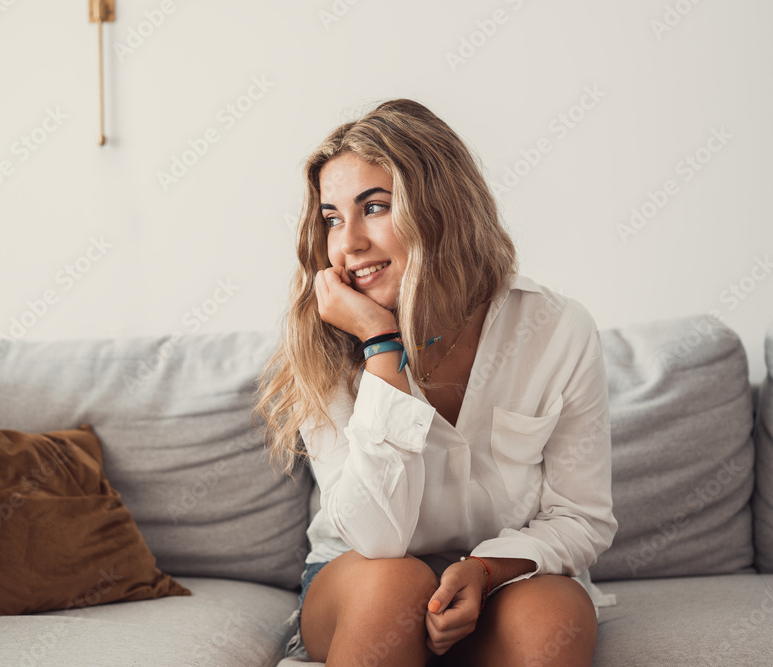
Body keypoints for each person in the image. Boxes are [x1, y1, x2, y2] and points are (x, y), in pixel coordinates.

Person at [255, 98, 617, 666]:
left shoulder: (555, 329)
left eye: (373, 207)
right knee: (393, 586)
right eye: (331, 218)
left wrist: (485, 569)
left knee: (553, 614)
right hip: (363, 576)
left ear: (441, 209)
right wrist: (380, 348)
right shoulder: (323, 343)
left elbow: (582, 517)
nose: (347, 243)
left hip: (503, 579)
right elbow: (377, 539)